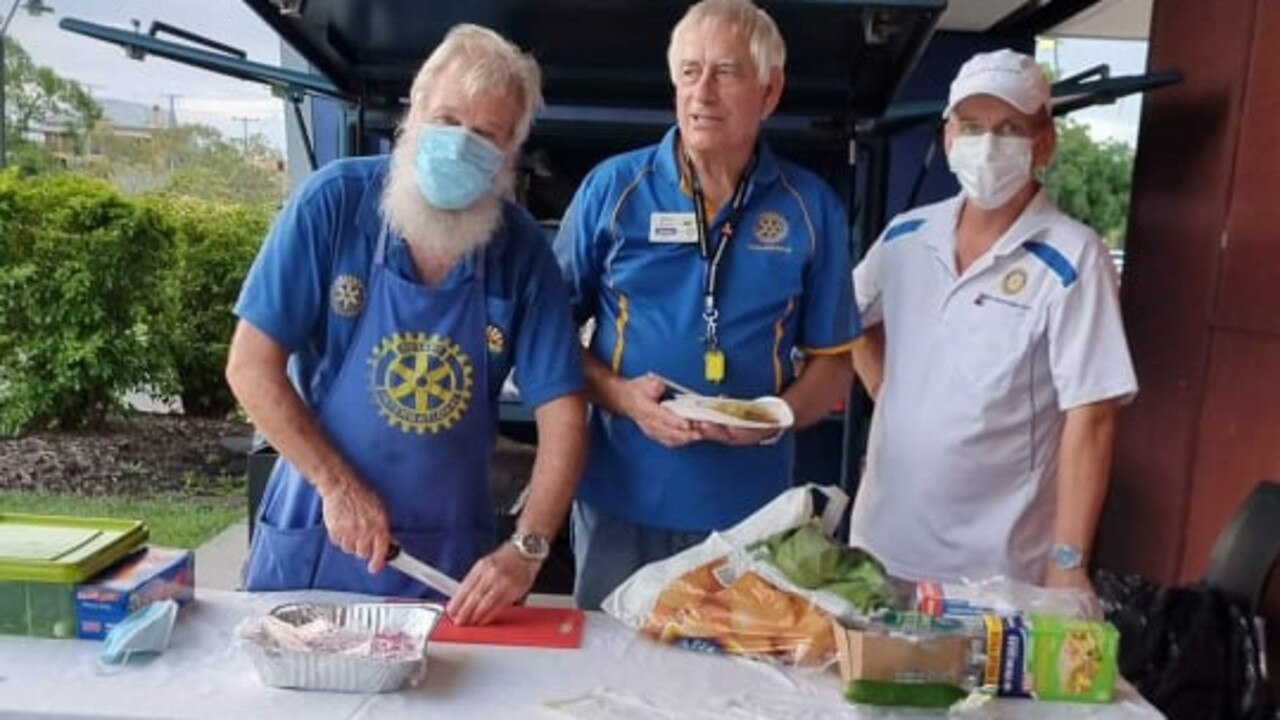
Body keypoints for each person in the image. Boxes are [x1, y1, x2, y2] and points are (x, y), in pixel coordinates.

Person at [225, 24, 587, 625]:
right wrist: (337, 488)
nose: (460, 144)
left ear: (510, 153)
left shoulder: (520, 251)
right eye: (446, 120)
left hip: (448, 559)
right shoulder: (333, 204)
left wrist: (527, 547)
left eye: (485, 135)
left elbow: (565, 418)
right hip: (320, 532)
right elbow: (250, 366)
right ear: (413, 112)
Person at [555, 0, 857, 609]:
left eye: (727, 72)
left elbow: (834, 366)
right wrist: (621, 397)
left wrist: (774, 415)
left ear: (769, 92)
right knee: (610, 687)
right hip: (621, 497)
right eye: (689, 72)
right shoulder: (614, 189)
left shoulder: (810, 206)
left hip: (750, 512)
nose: (704, 93)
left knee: (731, 695)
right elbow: (547, 334)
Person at [848, 49, 1138, 589]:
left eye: (1009, 128)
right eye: (973, 126)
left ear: (1044, 143)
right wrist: (887, 388)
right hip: (880, 547)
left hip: (994, 573)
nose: (988, 144)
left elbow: (1092, 416)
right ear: (947, 137)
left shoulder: (1074, 257)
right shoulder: (906, 236)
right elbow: (849, 319)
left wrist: (1068, 564)